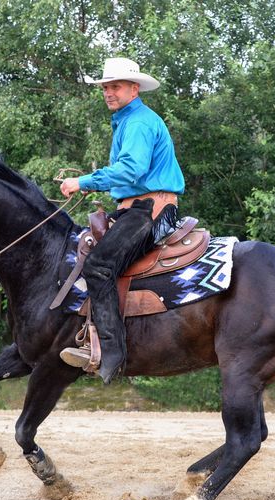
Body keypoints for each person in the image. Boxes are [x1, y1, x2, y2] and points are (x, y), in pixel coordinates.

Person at [58, 57, 185, 384]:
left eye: (115, 86)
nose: (108, 92)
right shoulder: (127, 120)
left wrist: (83, 182)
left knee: (98, 266)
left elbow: (132, 169)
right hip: (135, 207)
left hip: (150, 210)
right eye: (105, 87)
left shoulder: (139, 122)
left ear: (134, 88)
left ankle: (112, 352)